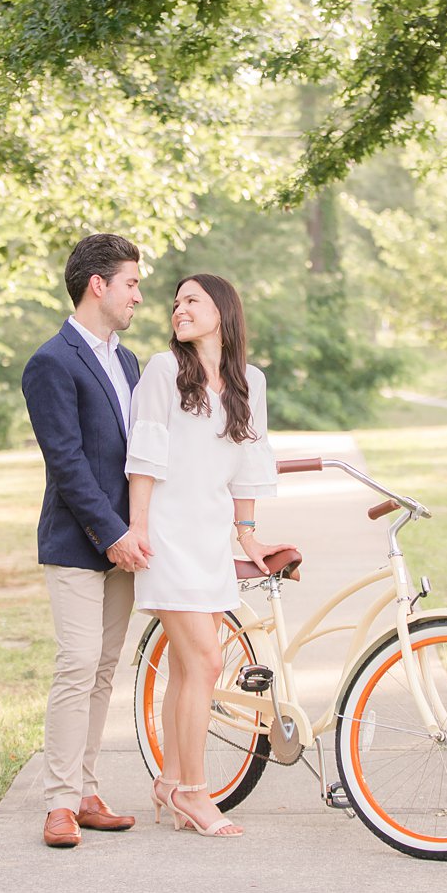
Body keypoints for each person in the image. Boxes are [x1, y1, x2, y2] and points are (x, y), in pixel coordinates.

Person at [125, 273, 291, 838]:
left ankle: (171, 784)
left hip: (210, 540)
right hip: (166, 538)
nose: (178, 309)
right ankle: (197, 795)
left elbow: (249, 464)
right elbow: (143, 454)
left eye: (191, 300)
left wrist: (249, 537)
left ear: (222, 309)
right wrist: (138, 530)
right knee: (206, 663)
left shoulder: (251, 381)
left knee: (185, 667)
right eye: (175, 303)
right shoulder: (163, 370)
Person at [21, 234, 152, 849]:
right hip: (78, 543)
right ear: (97, 284)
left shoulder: (128, 363)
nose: (138, 295)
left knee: (102, 671)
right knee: (76, 664)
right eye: (131, 282)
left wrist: (139, 534)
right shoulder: (51, 362)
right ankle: (58, 804)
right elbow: (67, 464)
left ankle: (88, 790)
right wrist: (113, 535)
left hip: (126, 548)